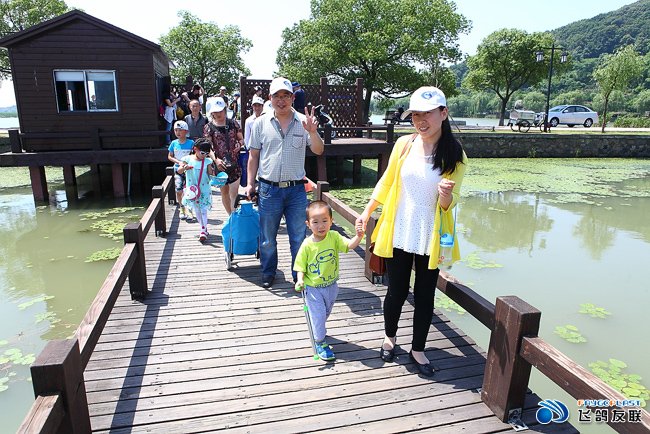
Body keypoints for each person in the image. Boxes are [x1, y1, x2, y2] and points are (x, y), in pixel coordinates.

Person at [356, 86, 467, 377]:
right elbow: (387, 181)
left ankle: (418, 348)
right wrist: (367, 212)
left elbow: (451, 203)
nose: (420, 120)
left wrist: (445, 195)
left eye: (427, 114)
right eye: (415, 114)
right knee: (396, 289)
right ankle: (389, 337)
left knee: (425, 294)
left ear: (443, 113)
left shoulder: (456, 154)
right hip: (401, 228)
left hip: (430, 233)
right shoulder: (404, 144)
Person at [244, 76, 325, 289]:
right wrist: (250, 183)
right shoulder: (260, 122)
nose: (281, 100)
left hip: (296, 190)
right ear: (270, 98)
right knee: (268, 238)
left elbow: (318, 150)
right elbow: (253, 155)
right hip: (269, 189)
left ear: (292, 97)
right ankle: (268, 272)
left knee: (298, 237)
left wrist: (313, 132)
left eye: (286, 96)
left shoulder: (303, 121)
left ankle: (298, 275)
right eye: (277, 96)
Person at [294, 200, 364, 361]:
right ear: (308, 224)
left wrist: (358, 236)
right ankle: (320, 342)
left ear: (331, 221)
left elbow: (349, 246)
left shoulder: (334, 236)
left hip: (332, 286)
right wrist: (300, 280)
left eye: (325, 221)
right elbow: (300, 266)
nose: (321, 226)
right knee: (318, 315)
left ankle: (318, 327)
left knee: (325, 313)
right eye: (316, 222)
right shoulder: (307, 245)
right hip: (313, 288)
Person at [204, 96, 244, 215]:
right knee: (224, 192)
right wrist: (216, 160)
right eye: (215, 111)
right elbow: (208, 147)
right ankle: (231, 216)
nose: (218, 113)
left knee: (234, 192)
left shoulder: (233, 124)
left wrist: (239, 144)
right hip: (220, 164)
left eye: (221, 110)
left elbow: (242, 139)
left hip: (234, 163)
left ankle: (235, 215)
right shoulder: (208, 127)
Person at [177, 138, 215, 242]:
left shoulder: (207, 161)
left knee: (203, 210)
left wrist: (216, 174)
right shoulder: (187, 159)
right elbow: (179, 170)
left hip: (204, 189)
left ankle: (203, 230)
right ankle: (204, 227)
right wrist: (185, 167)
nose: (204, 155)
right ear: (195, 149)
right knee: (197, 210)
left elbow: (211, 174)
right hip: (192, 190)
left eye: (207, 153)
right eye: (202, 153)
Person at [167, 120, 196, 221]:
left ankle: (190, 209)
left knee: (189, 190)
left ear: (186, 131)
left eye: (180, 130)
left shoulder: (191, 143)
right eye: (176, 130)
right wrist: (178, 162)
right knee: (178, 190)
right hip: (178, 169)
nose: (178, 132)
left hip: (189, 170)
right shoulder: (173, 143)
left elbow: (195, 155)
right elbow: (170, 156)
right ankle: (182, 208)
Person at [241, 95, 265, 188]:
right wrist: (249, 148)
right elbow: (247, 137)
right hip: (253, 149)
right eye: (255, 105)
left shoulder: (267, 118)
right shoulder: (249, 120)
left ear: (262, 106)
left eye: (259, 105)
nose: (257, 108)